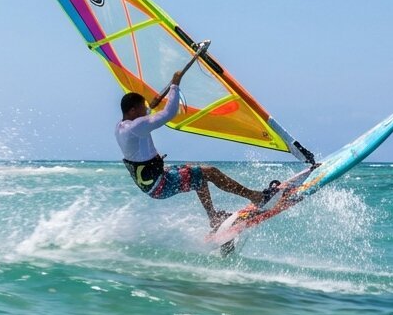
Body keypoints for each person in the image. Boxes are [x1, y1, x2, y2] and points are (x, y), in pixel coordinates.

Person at [117, 69, 280, 229]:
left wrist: (148, 110)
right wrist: (174, 85)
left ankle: (214, 218)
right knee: (210, 172)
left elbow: (143, 132)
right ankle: (256, 197)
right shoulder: (136, 127)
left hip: (152, 183)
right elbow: (169, 113)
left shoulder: (121, 128)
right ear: (132, 110)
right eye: (141, 108)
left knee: (197, 174)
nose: (145, 111)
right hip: (160, 184)